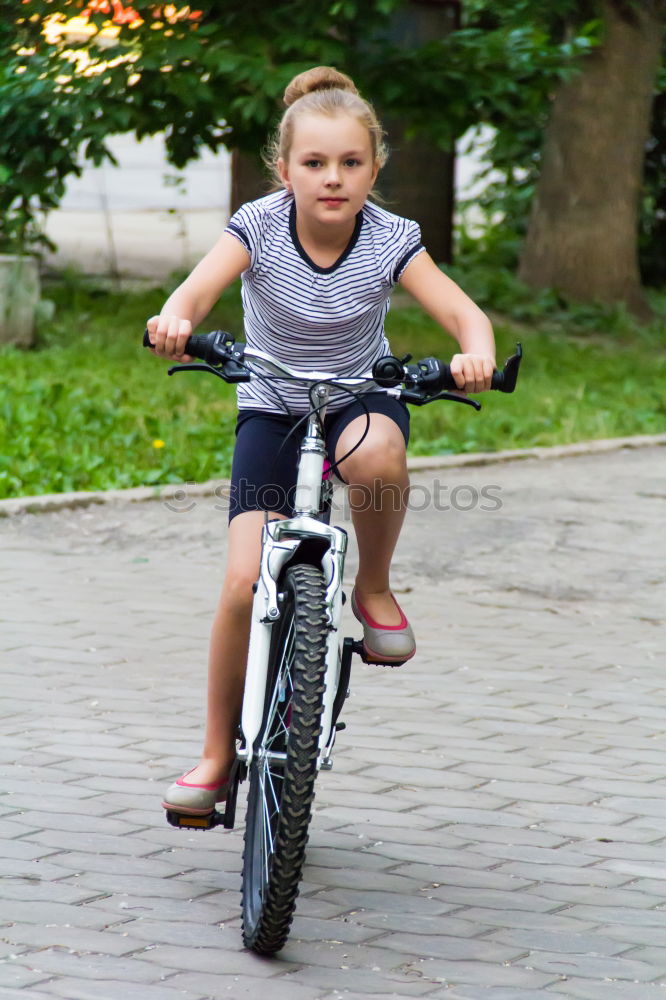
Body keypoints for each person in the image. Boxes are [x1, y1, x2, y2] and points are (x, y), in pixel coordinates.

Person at [147, 66, 496, 816]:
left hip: (357, 399)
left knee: (376, 455)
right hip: (272, 406)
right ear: (285, 170)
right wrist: (176, 321)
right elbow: (196, 292)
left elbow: (466, 316)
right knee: (243, 584)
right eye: (314, 163)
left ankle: (372, 586)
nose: (332, 179)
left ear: (375, 167)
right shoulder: (259, 226)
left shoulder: (392, 237)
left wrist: (476, 353)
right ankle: (214, 757)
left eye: (350, 163)